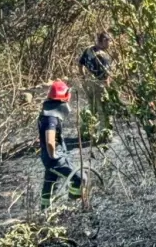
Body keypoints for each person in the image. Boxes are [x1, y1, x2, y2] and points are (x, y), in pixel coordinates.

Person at [39, 80, 83, 210]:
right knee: (79, 178)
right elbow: (50, 141)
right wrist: (54, 156)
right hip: (54, 159)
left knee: (49, 182)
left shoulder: (47, 113)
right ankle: (73, 205)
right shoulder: (52, 118)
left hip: (46, 157)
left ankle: (44, 209)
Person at [77, 32, 113, 131]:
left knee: (92, 107)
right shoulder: (102, 56)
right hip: (100, 84)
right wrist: (109, 87)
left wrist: (83, 77)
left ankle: (88, 129)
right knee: (103, 108)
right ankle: (104, 132)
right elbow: (107, 75)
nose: (110, 44)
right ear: (104, 41)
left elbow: (80, 64)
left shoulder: (88, 50)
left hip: (89, 82)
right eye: (109, 41)